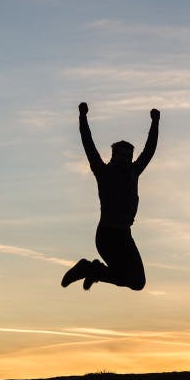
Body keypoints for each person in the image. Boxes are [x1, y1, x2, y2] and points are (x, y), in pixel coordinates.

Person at [61, 102, 160, 291]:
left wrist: (155, 122)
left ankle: (92, 270)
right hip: (107, 236)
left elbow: (149, 151)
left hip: (124, 235)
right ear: (113, 156)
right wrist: (83, 117)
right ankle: (90, 269)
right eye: (122, 156)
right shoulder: (103, 171)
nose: (126, 160)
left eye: (129, 156)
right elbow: (88, 144)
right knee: (130, 278)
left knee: (137, 282)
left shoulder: (133, 172)